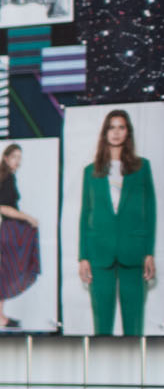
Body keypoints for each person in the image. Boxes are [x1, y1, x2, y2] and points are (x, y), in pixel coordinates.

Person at [78, 108, 158, 336]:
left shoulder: (142, 168)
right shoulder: (91, 171)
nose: (116, 132)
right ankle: (100, 369)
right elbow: (85, 215)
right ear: (105, 132)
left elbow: (150, 212)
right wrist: (83, 256)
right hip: (99, 254)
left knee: (134, 325)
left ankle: (135, 369)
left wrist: (149, 252)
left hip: (133, 252)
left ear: (128, 132)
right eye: (111, 127)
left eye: (121, 127)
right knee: (101, 324)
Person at [0, 144, 42, 330]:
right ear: (6, 158)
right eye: (14, 157)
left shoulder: (5, 178)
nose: (18, 161)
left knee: (7, 269)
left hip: (7, 229)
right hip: (9, 230)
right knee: (6, 270)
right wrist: (28, 217)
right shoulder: (7, 179)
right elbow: (2, 208)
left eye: (20, 157)